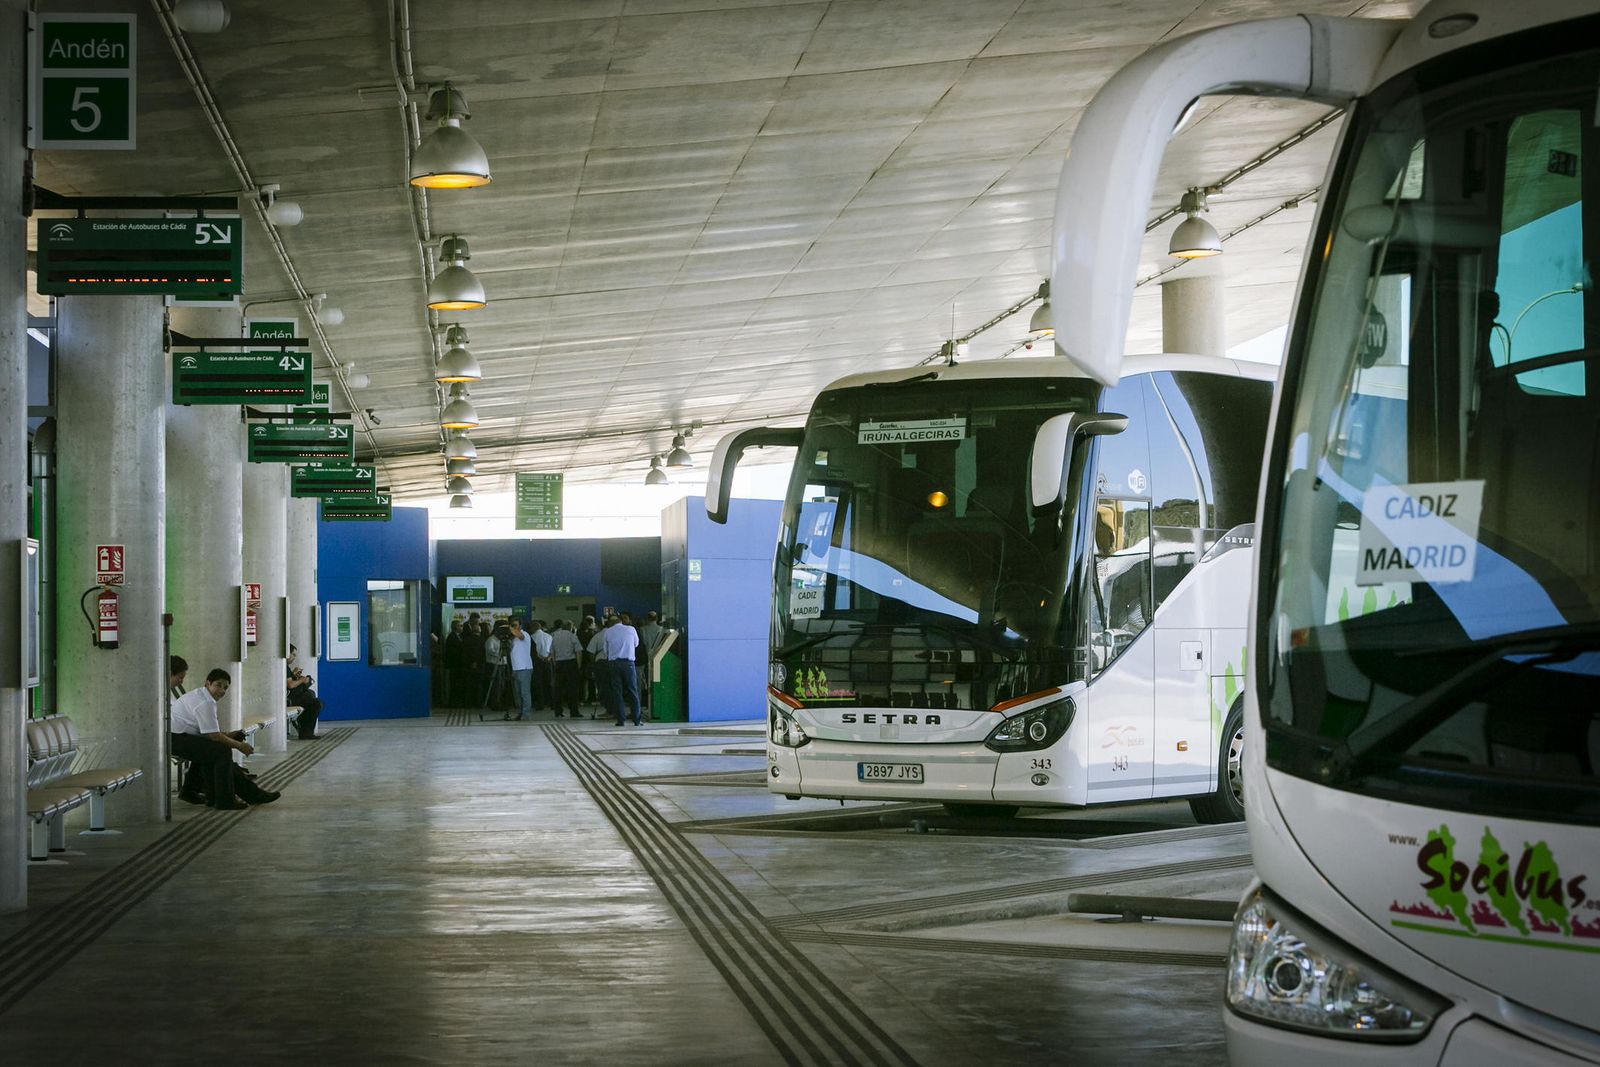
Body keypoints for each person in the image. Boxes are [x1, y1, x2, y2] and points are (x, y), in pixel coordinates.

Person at [171, 668, 279, 809]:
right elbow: (214, 736)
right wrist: (240, 746)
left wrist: (228, 735)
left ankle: (206, 795)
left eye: (225, 688)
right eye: (218, 685)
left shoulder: (201, 695)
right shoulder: (205, 702)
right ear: (207, 683)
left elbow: (209, 732)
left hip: (178, 737)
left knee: (212, 751)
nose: (222, 690)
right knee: (221, 752)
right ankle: (226, 800)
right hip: (177, 740)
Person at [601, 613, 643, 726]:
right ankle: (637, 719)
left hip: (614, 664)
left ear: (611, 622)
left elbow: (605, 650)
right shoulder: (631, 629)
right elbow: (636, 644)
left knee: (617, 692)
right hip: (628, 663)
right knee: (632, 690)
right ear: (621, 621)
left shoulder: (607, 632)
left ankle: (620, 719)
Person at [286, 644, 322, 740]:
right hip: (290, 699)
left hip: (291, 698)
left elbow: (288, 681)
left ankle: (305, 731)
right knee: (316, 703)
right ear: (287, 653)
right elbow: (290, 685)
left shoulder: (285, 667)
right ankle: (306, 732)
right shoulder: (284, 667)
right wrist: (302, 680)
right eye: (293, 654)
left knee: (311, 698)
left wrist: (293, 674)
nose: (294, 657)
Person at [550, 618, 582, 718]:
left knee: (558, 689)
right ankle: (574, 711)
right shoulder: (572, 636)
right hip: (570, 663)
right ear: (570, 627)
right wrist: (578, 665)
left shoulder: (554, 636)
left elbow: (552, 652)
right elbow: (578, 652)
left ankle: (558, 711)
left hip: (559, 664)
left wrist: (555, 663)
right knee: (572, 689)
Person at [505, 617, 534, 722]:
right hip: (516, 668)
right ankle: (520, 712)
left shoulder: (524, 634)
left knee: (525, 692)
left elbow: (520, 636)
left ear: (520, 626)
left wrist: (510, 628)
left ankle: (526, 714)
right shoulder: (512, 638)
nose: (513, 627)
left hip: (524, 667)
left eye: (515, 625)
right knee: (518, 694)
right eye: (512, 625)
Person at [586, 619, 613, 721]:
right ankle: (615, 710)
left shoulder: (598, 635)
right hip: (614, 663)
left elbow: (591, 651)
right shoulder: (617, 634)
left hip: (601, 664)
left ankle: (609, 710)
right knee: (614, 687)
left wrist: (593, 664)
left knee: (603, 687)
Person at [530, 620, 555, 712]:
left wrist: (539, 658)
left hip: (537, 662)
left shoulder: (532, 637)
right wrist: (548, 657)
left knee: (538, 683)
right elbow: (552, 649)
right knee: (549, 682)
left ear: (533, 628)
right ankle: (552, 703)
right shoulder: (549, 636)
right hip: (548, 661)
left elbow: (534, 651)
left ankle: (540, 704)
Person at [444, 619, 467, 706]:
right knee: (454, 684)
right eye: (460, 626)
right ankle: (453, 702)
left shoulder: (459, 636)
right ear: (455, 627)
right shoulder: (452, 637)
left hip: (458, 665)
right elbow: (454, 652)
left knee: (458, 684)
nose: (462, 627)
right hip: (454, 665)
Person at [577, 614, 599, 705]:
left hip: (581, 658)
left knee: (581, 680)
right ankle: (592, 697)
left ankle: (581, 698)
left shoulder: (578, 633)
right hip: (590, 658)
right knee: (591, 679)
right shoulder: (593, 634)